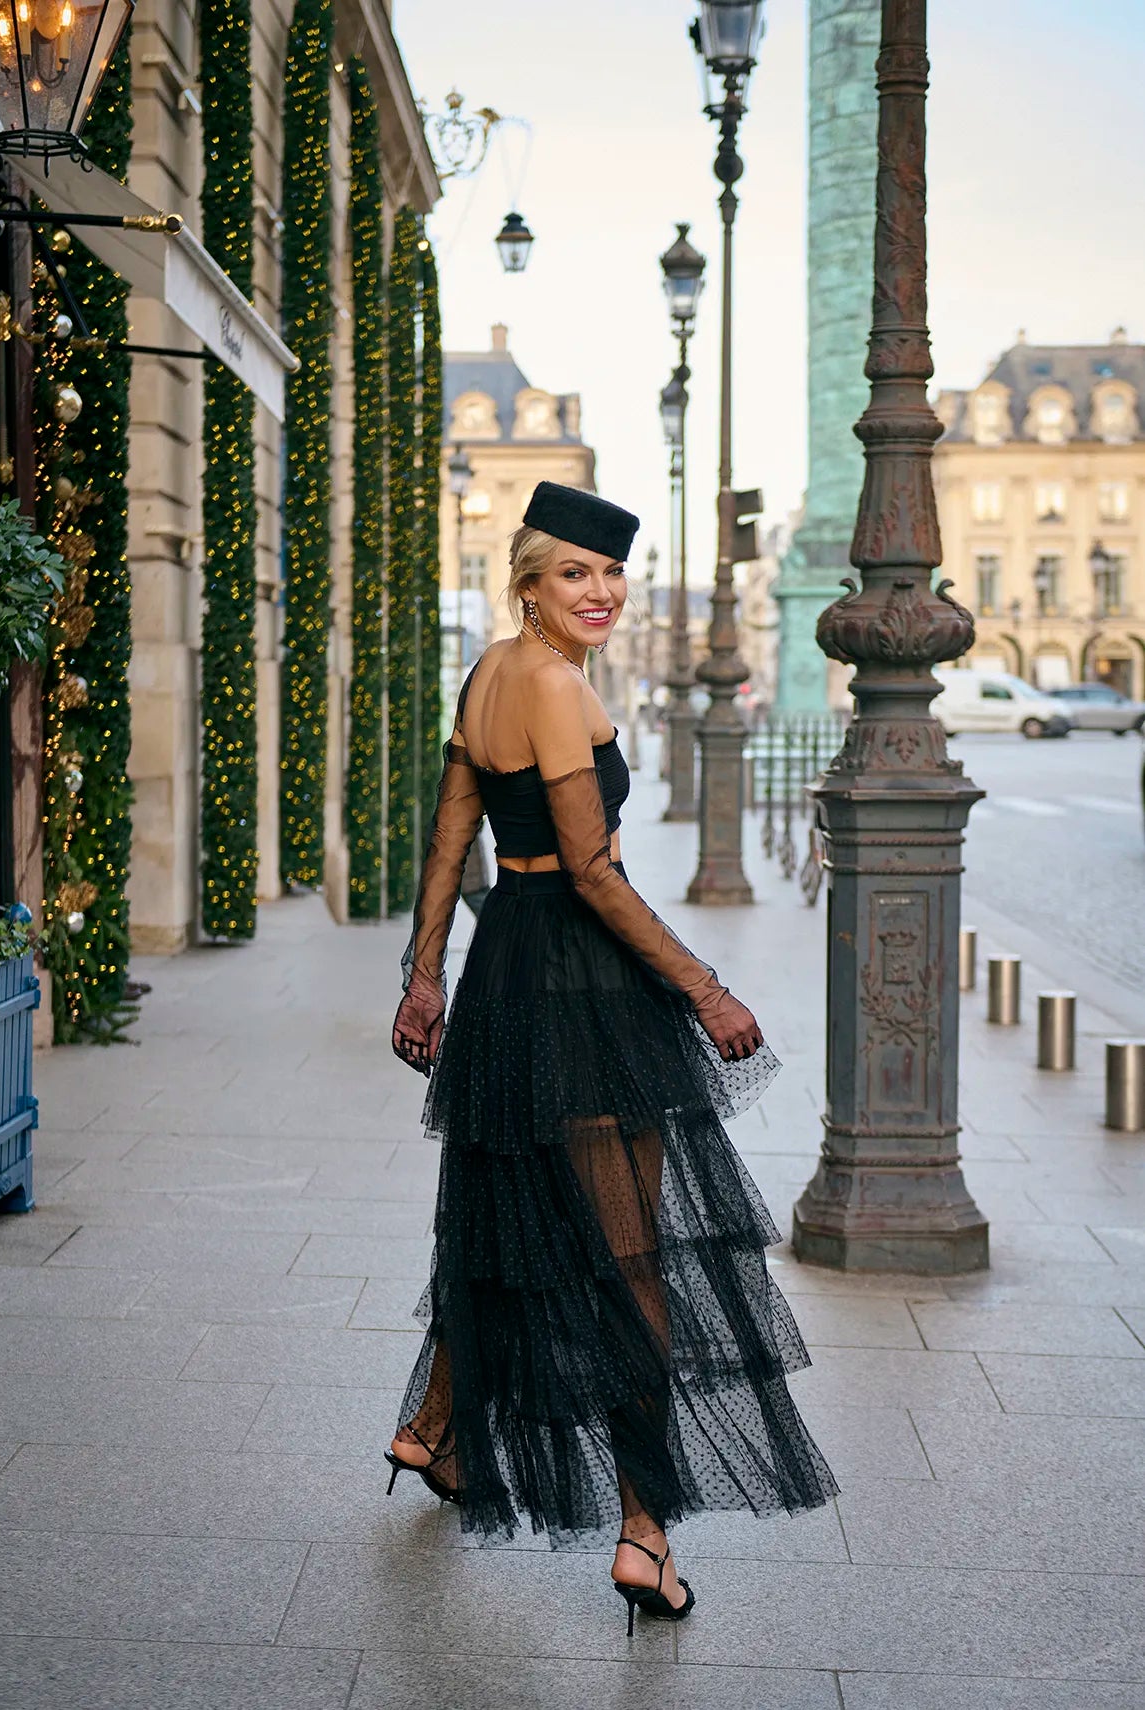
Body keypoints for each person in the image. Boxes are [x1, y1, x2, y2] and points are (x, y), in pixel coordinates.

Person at [388, 481, 837, 1633]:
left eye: (610, 573)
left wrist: (427, 974)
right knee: (635, 1257)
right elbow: (592, 868)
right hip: (585, 982)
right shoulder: (552, 685)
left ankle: (434, 1429)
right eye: (574, 574)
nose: (601, 593)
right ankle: (645, 1531)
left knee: (504, 1216)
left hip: (505, 976)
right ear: (529, 582)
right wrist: (706, 988)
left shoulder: (493, 670)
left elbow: (453, 834)